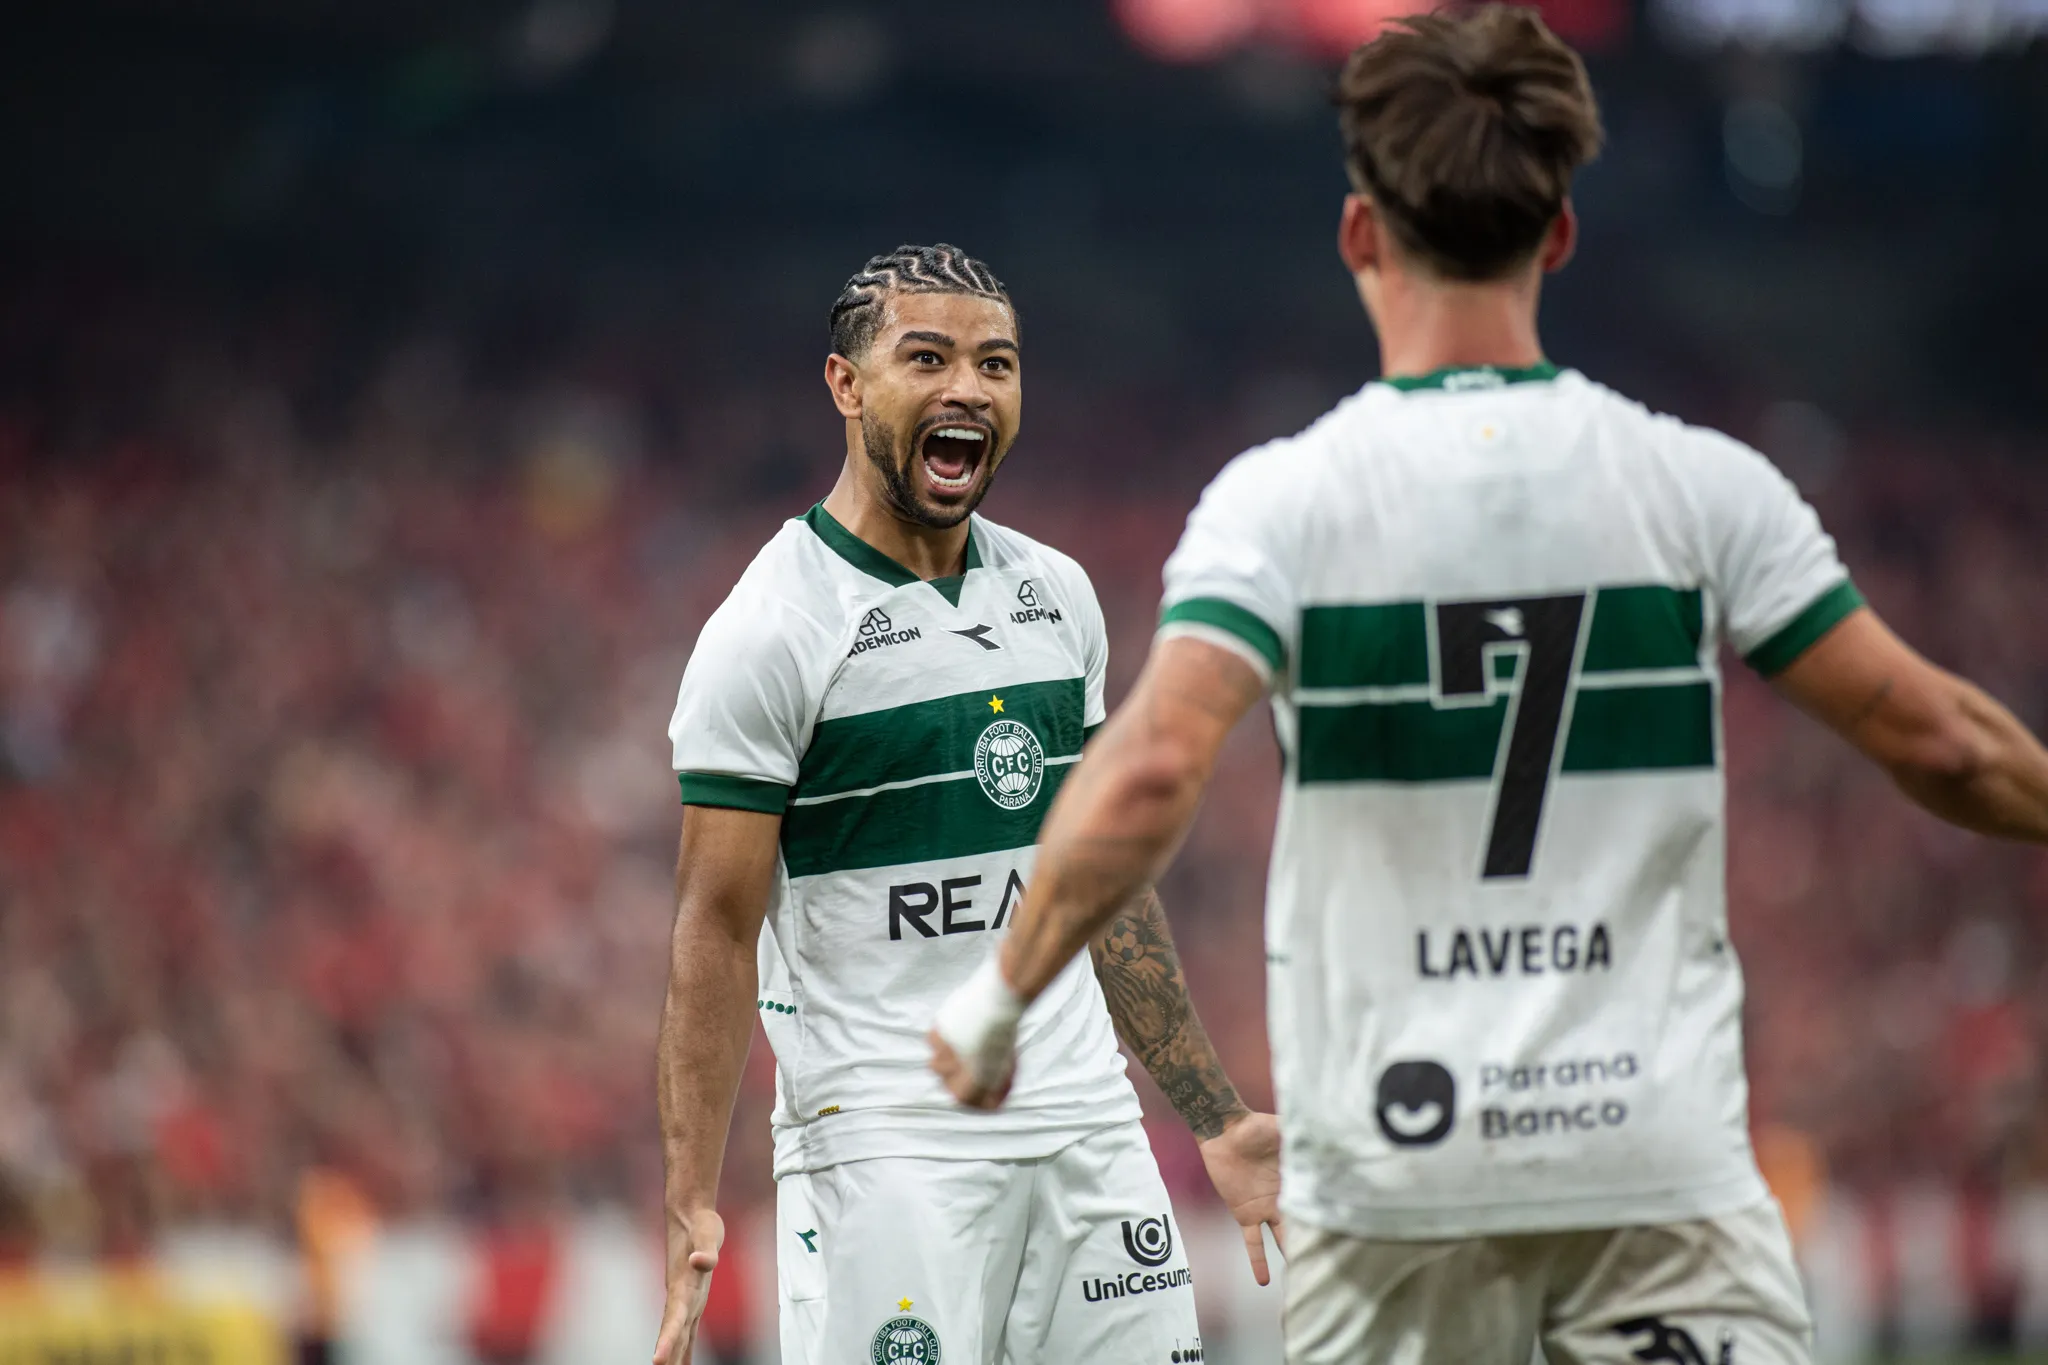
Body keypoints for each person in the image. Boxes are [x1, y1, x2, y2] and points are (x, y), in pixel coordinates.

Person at [928, 9, 2048, 1365]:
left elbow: (1157, 764)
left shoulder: (1282, 508)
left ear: (1359, 234)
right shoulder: (1698, 487)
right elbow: (1943, 740)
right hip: (1653, 1169)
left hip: (1399, 1186)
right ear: (1559, 235)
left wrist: (1000, 995)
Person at [652, 244, 1281, 1365]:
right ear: (846, 385)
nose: (966, 390)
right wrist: (690, 1195)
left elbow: (1100, 888)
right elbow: (712, 928)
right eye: (925, 358)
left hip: (1088, 1128)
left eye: (995, 363)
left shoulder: (1056, 595)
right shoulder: (775, 627)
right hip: (887, 1146)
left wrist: (1216, 1118)